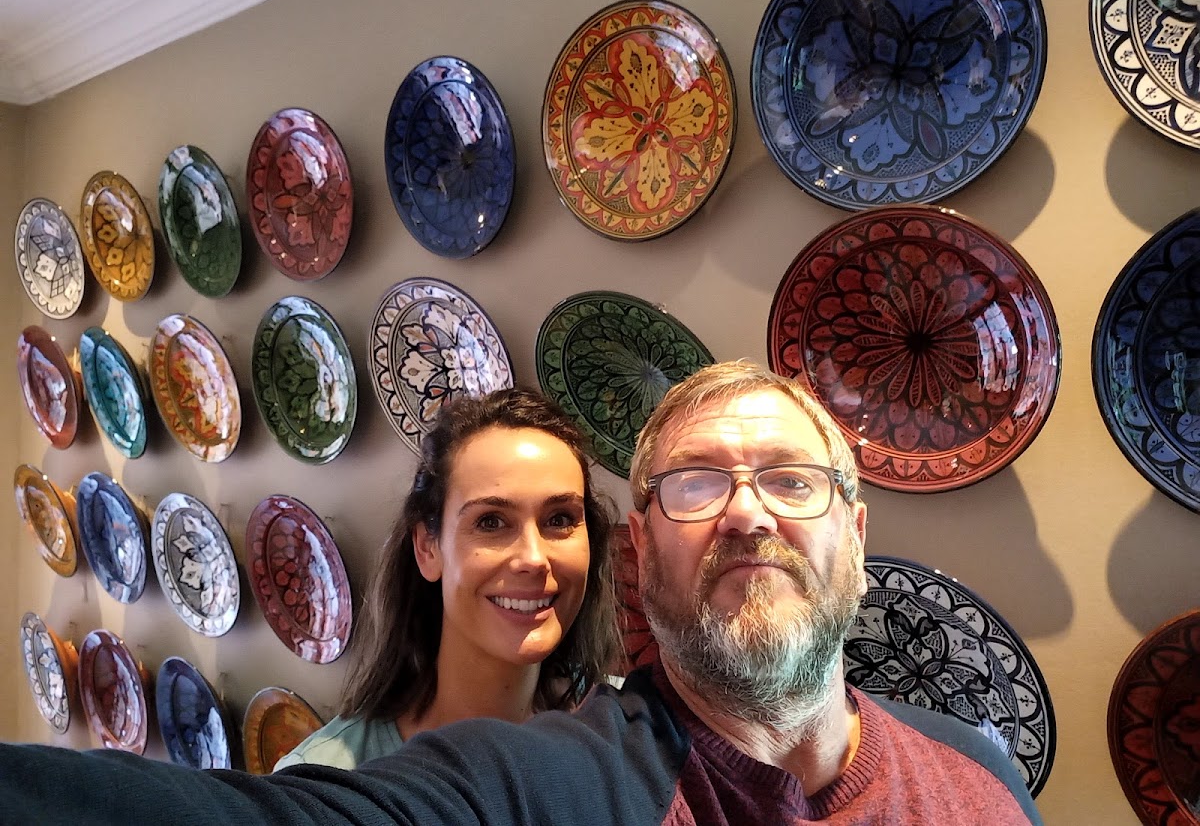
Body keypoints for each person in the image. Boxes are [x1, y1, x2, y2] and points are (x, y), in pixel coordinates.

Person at [0, 361, 1042, 825]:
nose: (747, 514)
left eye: (791, 480)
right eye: (695, 485)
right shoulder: (536, 782)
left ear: (856, 530)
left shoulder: (982, 777)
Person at [273, 388, 620, 770]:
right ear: (428, 548)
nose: (534, 559)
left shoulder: (630, 727)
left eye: (560, 519)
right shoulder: (330, 779)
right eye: (490, 522)